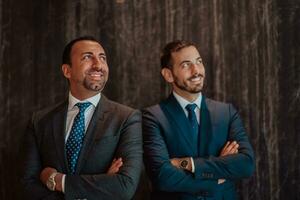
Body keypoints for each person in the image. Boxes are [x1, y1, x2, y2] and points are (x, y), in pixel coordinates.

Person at [21, 36, 143, 200]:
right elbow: (28, 185)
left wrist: (57, 180)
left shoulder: (127, 118)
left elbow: (124, 186)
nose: (98, 65)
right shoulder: (40, 121)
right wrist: (100, 185)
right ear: (67, 70)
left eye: (102, 58)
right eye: (87, 57)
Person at [142, 40, 255, 200]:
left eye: (199, 62)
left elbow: (246, 164)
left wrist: (188, 164)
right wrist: (218, 177)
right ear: (168, 75)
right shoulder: (152, 116)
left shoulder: (226, 113)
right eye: (186, 65)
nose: (196, 71)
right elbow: (162, 177)